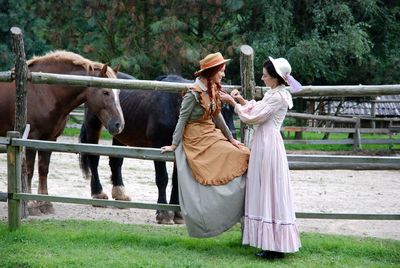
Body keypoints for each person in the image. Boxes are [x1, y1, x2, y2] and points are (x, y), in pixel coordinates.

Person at [220, 56, 302, 259]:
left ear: (275, 78)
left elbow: (253, 117)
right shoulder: (274, 93)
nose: (262, 78)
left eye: (265, 76)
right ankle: (272, 243)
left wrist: (232, 103)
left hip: (269, 145)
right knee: (267, 188)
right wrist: (241, 101)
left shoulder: (277, 97)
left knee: (270, 189)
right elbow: (257, 109)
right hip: (265, 142)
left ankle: (275, 247)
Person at [161, 52, 250, 237]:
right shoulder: (193, 94)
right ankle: (215, 212)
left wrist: (231, 138)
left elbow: (217, 116)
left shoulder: (213, 89)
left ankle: (237, 203)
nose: (223, 75)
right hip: (195, 137)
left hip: (210, 132)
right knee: (234, 155)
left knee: (243, 153)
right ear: (212, 72)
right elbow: (182, 120)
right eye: (221, 71)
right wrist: (174, 144)